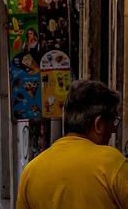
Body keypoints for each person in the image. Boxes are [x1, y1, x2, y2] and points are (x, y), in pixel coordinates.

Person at [16, 78, 128, 208]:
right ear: (99, 125)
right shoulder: (113, 164)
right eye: (114, 121)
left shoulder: (31, 171)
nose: (114, 130)